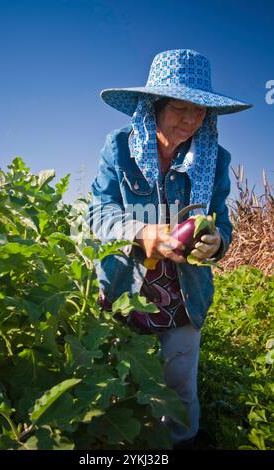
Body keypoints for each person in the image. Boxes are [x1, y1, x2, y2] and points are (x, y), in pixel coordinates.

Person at [88, 49, 252, 449]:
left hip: (184, 296)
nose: (190, 119)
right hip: (126, 291)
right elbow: (99, 216)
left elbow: (223, 223)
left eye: (200, 111)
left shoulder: (214, 160)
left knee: (179, 393)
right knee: (119, 386)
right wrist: (145, 233)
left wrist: (217, 242)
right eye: (180, 107)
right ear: (154, 106)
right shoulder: (120, 148)